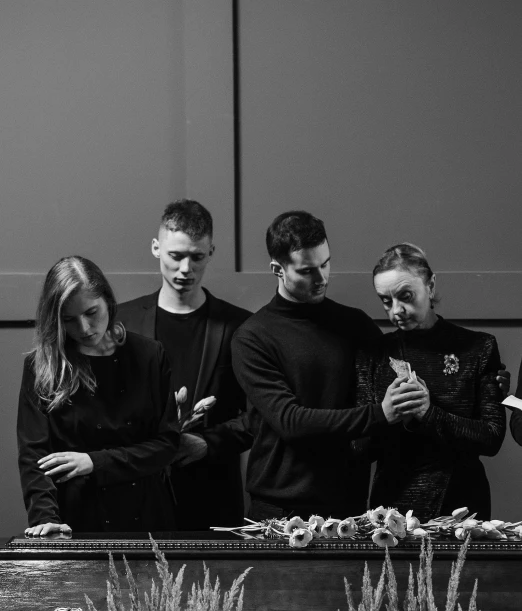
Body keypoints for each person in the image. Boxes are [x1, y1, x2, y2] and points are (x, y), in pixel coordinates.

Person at [231, 211, 427, 521]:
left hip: (349, 506)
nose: (322, 278)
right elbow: (290, 421)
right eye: (307, 270)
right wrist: (379, 414)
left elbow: (401, 382)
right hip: (278, 507)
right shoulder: (253, 337)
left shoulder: (355, 324)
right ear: (277, 270)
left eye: (325, 264)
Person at [18, 257, 179, 537]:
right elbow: (35, 456)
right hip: (74, 518)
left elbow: (166, 444)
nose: (83, 328)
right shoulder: (41, 366)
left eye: (91, 312)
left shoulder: (150, 355)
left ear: (108, 302)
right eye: (68, 319)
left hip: (147, 516)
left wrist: (95, 462)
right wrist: (45, 517)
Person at [117, 199, 252, 530]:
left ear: (212, 252)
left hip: (214, 499)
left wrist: (208, 443)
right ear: (155, 248)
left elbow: (260, 417)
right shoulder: (123, 322)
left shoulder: (240, 326)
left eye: (197, 257)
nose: (186, 269)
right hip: (137, 496)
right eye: (176, 256)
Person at [356, 242, 506, 522]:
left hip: (462, 505)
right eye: (386, 301)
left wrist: (429, 413)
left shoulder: (478, 347)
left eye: (406, 296)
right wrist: (385, 413)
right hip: (392, 509)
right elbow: (360, 449)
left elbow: (492, 438)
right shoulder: (373, 354)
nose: (396, 311)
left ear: (431, 286)